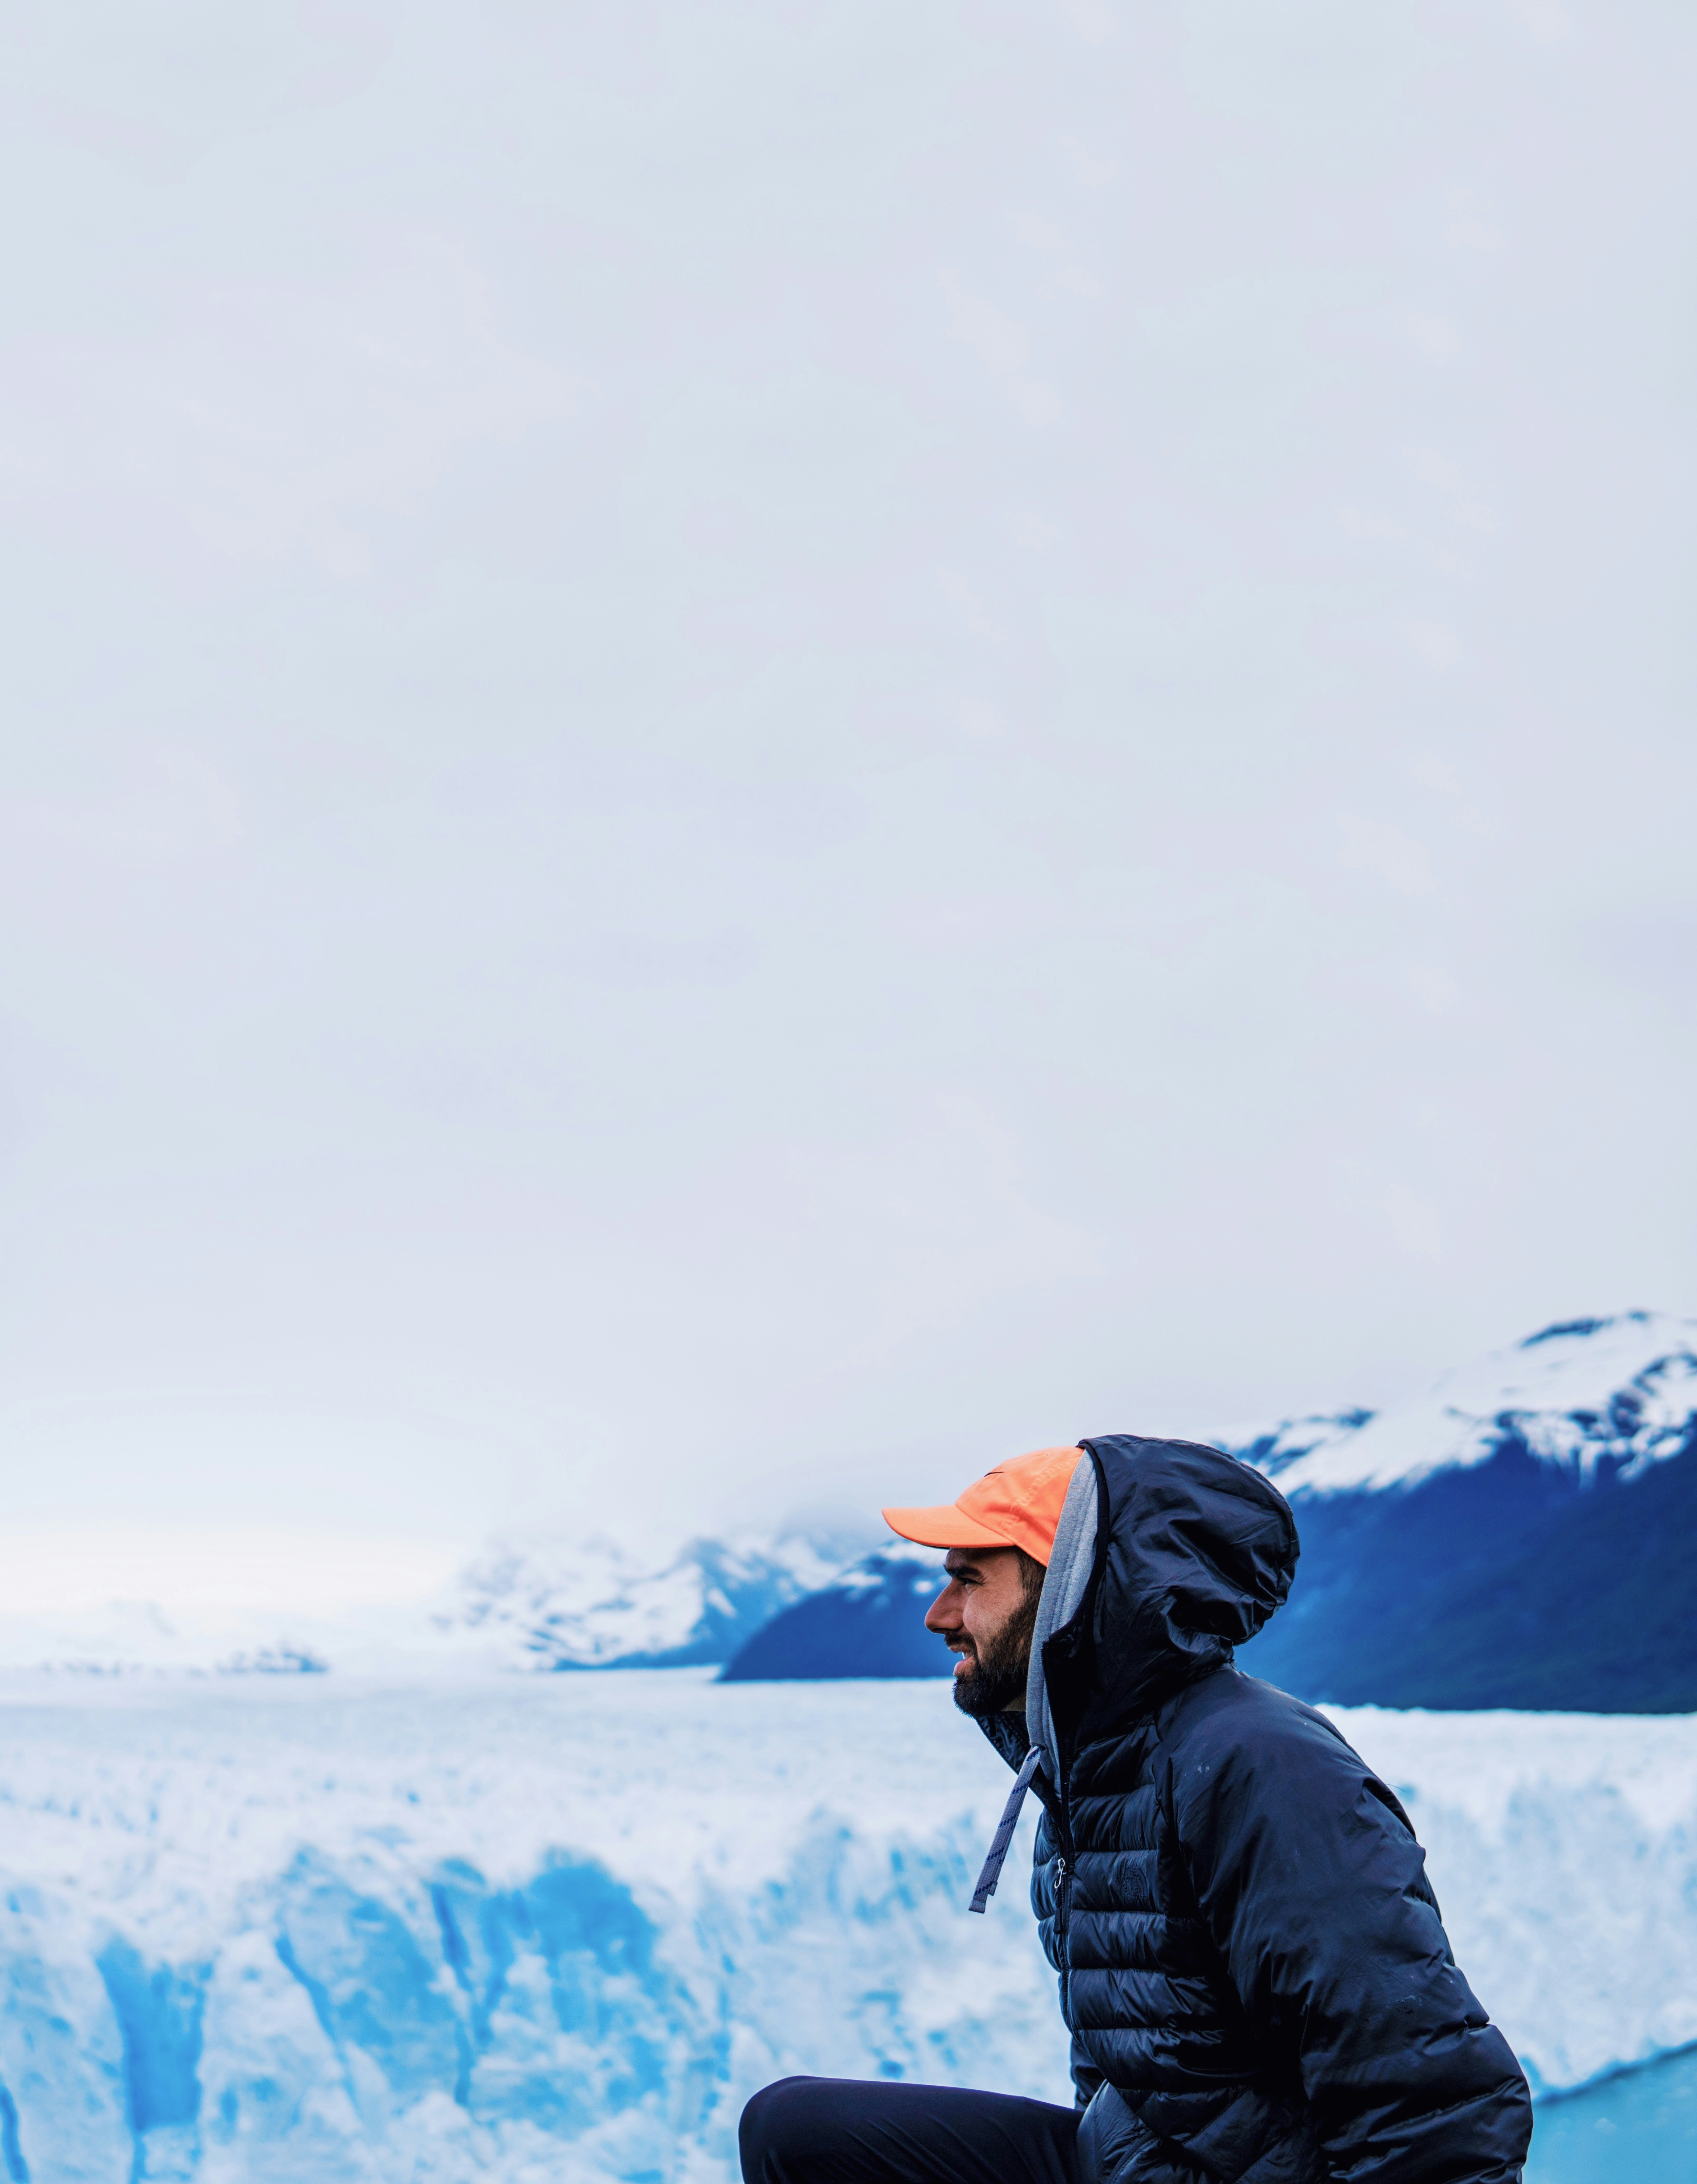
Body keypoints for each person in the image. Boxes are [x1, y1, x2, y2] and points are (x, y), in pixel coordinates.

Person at [740, 1435, 1533, 2184]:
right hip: (1134, 2158)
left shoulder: (1256, 1764)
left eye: (969, 1580)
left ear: (1067, 1596)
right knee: (795, 2131)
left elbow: (1426, 2093)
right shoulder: (1088, 1765)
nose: (939, 1614)